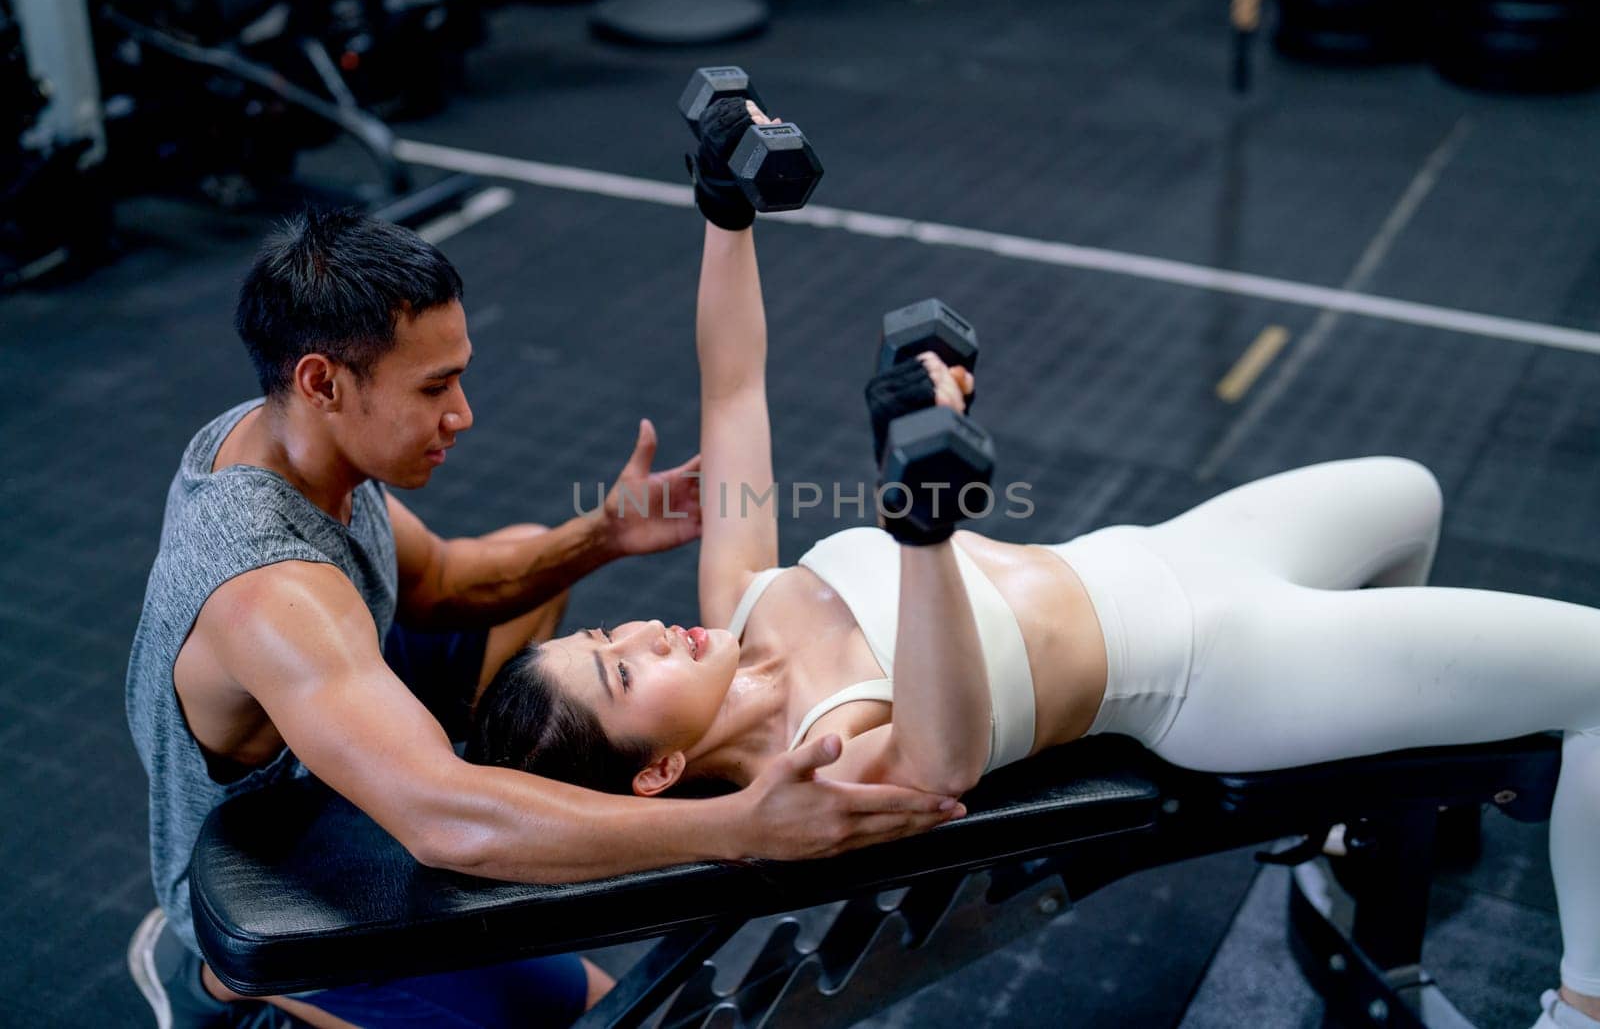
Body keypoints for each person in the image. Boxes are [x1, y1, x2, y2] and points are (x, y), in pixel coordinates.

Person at [470, 102, 1600, 1029]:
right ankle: (1580, 1005)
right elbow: (943, 753)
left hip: (1170, 551)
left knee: (1409, 491)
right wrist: (920, 522)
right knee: (1597, 680)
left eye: (606, 630)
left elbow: (732, 386)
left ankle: (1361, 807)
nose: (644, 631)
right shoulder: (820, 755)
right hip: (1215, 670)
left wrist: (726, 208)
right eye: (623, 670)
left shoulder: (740, 595)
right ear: (659, 770)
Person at [123, 208, 963, 1029]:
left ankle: (455, 785)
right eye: (434, 387)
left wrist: (603, 535)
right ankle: (213, 980)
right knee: (584, 1005)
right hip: (279, 851)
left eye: (458, 374)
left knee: (526, 565)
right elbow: (442, 820)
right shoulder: (269, 591)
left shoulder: (296, 442)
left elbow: (445, 580)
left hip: (348, 718)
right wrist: (738, 825)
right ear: (322, 382)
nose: (463, 413)